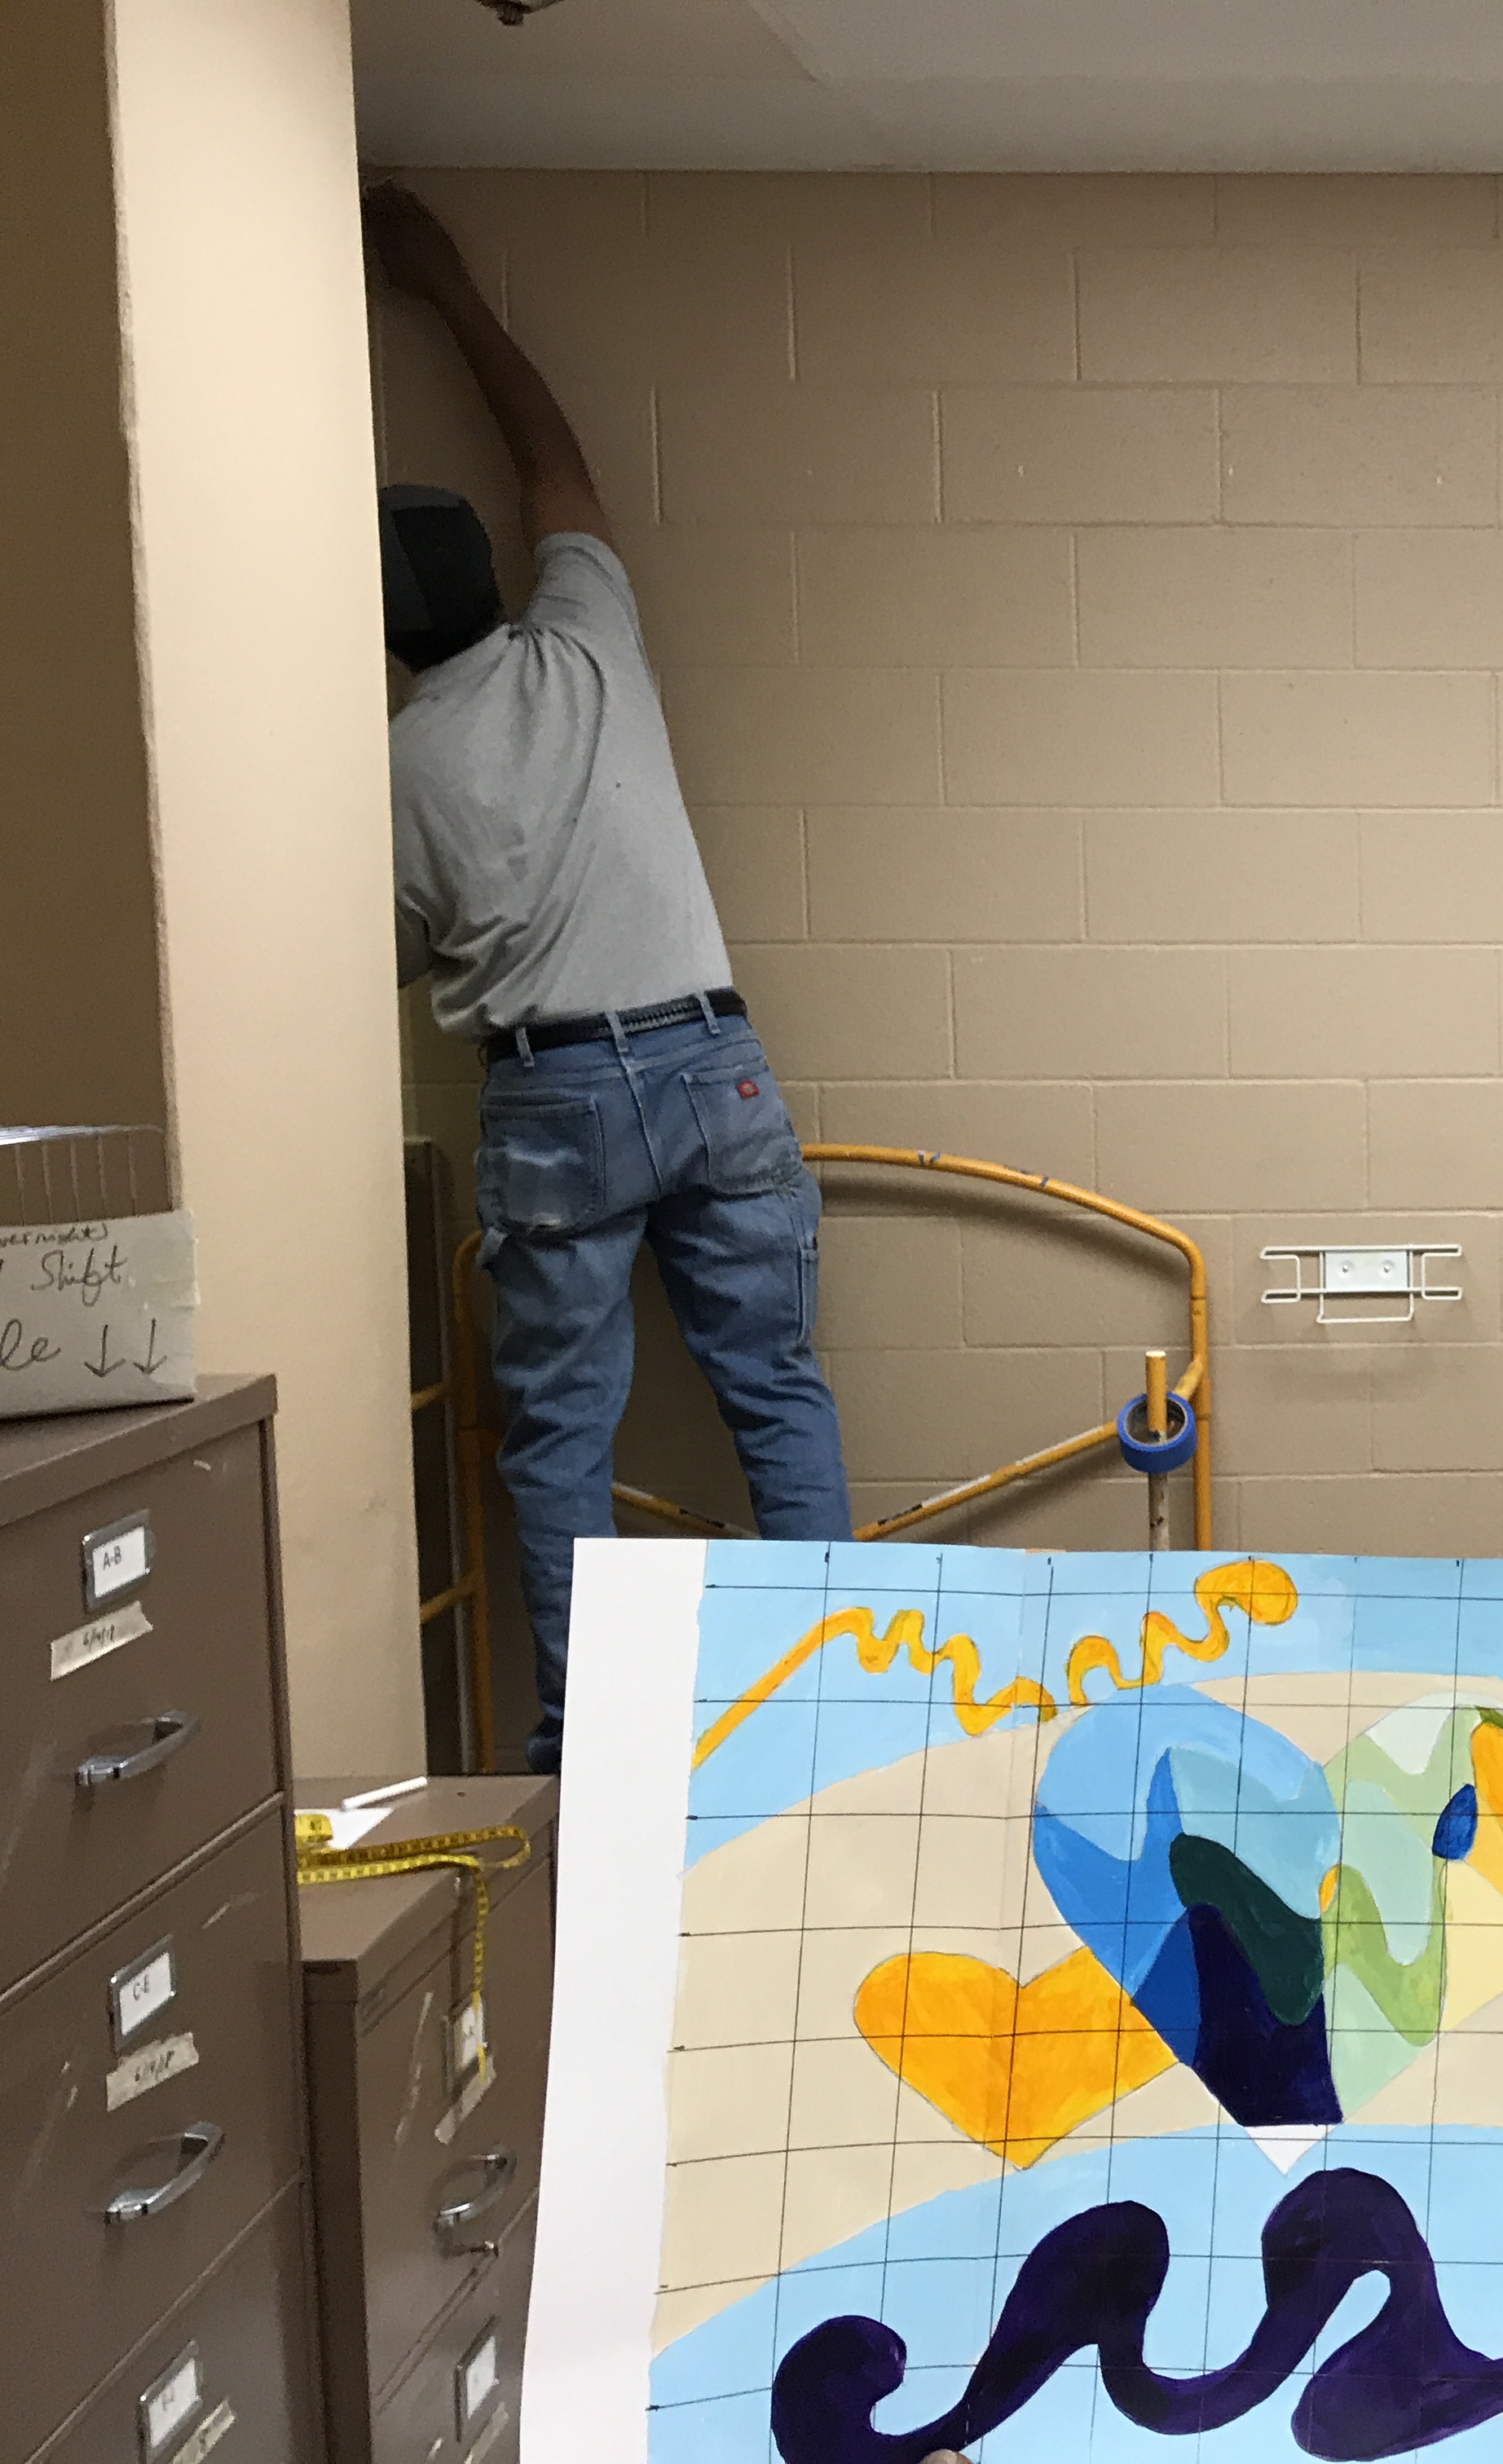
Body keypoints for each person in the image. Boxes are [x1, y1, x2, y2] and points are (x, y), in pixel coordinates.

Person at [367, 185, 852, 1774]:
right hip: (711, 1064)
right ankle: (828, 1712)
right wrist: (448, 290)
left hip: (556, 1093)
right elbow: (558, 467)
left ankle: (596, 1752)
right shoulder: (586, 640)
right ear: (497, 586)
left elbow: (397, 960)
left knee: (562, 1439)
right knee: (773, 1391)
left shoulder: (391, 771)